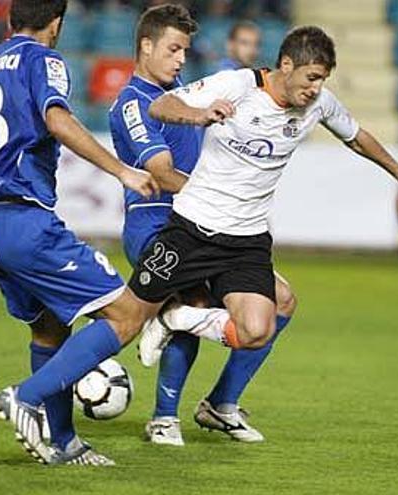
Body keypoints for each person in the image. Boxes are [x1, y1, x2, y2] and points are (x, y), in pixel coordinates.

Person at [0, 0, 227, 467]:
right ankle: (25, 396)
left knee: (50, 328)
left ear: (10, 20)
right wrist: (121, 171)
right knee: (125, 315)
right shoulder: (45, 60)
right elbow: (57, 119)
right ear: (56, 24)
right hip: (26, 222)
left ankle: (64, 443)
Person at [131, 26, 398, 405]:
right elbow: (160, 106)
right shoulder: (240, 85)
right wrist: (200, 114)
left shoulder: (320, 104)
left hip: (246, 239)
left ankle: (176, 321)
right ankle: (56, 393)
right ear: (287, 65)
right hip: (194, 227)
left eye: (322, 80)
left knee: (259, 329)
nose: (315, 88)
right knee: (123, 319)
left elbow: (356, 136)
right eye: (311, 78)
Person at [110, 4, 295, 447]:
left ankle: (221, 404)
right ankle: (163, 417)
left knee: (282, 300)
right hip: (155, 222)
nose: (179, 59)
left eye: (185, 51)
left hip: (204, 223)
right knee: (190, 296)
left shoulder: (187, 94)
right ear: (146, 46)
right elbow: (162, 173)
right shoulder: (134, 104)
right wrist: (221, 199)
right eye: (172, 49)